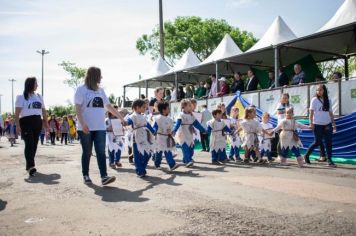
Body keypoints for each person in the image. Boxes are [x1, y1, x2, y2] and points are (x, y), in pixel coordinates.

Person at [75, 66, 124, 185]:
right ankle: (85, 175)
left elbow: (108, 106)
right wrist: (82, 123)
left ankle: (104, 176)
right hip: (85, 127)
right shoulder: (81, 90)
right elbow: (77, 108)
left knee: (101, 152)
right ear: (94, 76)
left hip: (100, 127)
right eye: (100, 75)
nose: (101, 78)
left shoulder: (100, 90)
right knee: (87, 152)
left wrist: (120, 117)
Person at [14, 77, 49, 176]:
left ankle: (29, 166)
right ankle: (31, 166)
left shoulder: (39, 96)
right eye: (36, 83)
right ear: (30, 84)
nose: (37, 85)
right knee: (29, 144)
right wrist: (17, 126)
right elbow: (16, 114)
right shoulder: (21, 97)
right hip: (26, 122)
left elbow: (43, 110)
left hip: (37, 121)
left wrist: (46, 123)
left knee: (34, 144)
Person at [304, 84, 337, 167]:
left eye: (320, 90)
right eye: (317, 90)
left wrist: (334, 124)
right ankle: (306, 155)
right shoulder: (314, 100)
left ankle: (329, 160)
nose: (318, 91)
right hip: (317, 124)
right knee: (317, 142)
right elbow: (311, 113)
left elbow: (330, 113)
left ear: (324, 90)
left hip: (327, 124)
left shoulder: (328, 100)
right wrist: (311, 123)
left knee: (328, 142)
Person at [126, 99, 156, 177]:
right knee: (137, 155)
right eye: (143, 107)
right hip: (136, 137)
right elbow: (129, 121)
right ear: (137, 107)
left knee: (148, 154)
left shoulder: (143, 116)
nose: (145, 108)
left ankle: (141, 168)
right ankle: (140, 171)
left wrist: (153, 131)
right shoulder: (133, 116)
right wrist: (125, 122)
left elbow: (148, 125)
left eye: (145, 107)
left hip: (145, 137)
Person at [172, 99, 206, 167]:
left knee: (191, 149)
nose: (191, 107)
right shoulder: (181, 115)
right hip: (183, 135)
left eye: (191, 105)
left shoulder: (191, 115)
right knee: (185, 148)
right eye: (189, 105)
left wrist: (203, 130)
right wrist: (174, 130)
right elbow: (177, 124)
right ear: (184, 106)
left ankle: (186, 159)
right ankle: (188, 161)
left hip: (190, 134)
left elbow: (196, 124)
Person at [152, 101, 179, 171]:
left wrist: (172, 132)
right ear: (163, 110)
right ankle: (171, 164)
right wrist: (154, 131)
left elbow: (171, 128)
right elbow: (154, 127)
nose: (169, 109)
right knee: (161, 151)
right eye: (168, 108)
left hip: (167, 137)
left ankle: (158, 164)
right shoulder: (157, 118)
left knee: (163, 151)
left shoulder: (170, 119)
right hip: (160, 137)